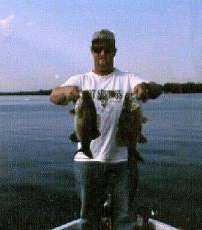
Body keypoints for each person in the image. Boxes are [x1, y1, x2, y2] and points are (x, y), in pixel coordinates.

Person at [50, 29, 151, 229]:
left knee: (124, 219)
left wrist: (145, 89)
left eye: (106, 49)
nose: (102, 54)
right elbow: (54, 96)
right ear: (92, 51)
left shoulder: (128, 78)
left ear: (115, 51)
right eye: (97, 49)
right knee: (88, 219)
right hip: (87, 162)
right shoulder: (80, 80)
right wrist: (67, 92)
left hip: (123, 160)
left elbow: (152, 89)